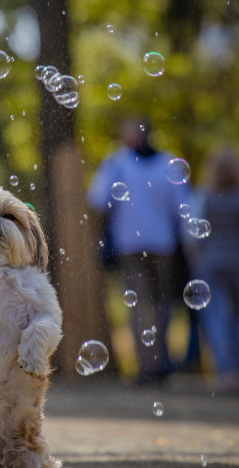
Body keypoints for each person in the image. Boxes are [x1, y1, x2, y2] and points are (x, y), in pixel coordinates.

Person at [87, 118, 189, 384]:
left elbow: (97, 200)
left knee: (141, 306)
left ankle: (149, 366)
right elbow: (183, 209)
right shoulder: (169, 163)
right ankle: (158, 364)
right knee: (157, 305)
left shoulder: (117, 163)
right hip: (161, 245)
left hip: (131, 246)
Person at [186, 146, 239, 391]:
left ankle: (225, 372)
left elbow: (192, 237)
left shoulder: (203, 196)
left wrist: (197, 259)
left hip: (210, 265)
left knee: (216, 319)